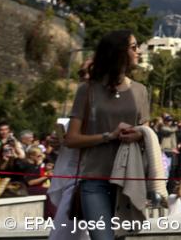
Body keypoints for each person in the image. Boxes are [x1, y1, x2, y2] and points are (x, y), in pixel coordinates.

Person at [63, 30, 149, 240]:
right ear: (118, 52)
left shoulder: (140, 91)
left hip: (128, 181)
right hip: (94, 181)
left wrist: (138, 134)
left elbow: (145, 132)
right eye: (134, 47)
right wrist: (109, 136)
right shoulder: (87, 90)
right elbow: (71, 139)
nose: (139, 52)